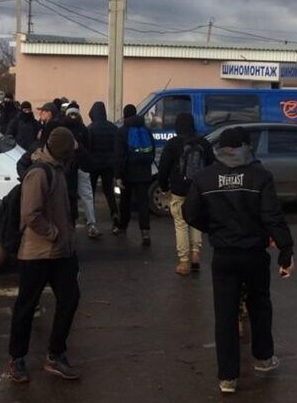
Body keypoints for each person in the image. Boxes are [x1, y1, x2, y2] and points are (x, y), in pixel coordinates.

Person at [183, 127, 295, 395]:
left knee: (225, 315)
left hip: (224, 255)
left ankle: (227, 378)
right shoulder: (260, 176)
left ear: (220, 148)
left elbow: (190, 213)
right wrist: (285, 249)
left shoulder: (204, 177)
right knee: (259, 307)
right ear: (246, 146)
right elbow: (272, 216)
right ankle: (264, 358)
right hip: (254, 254)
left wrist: (214, 229)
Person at [8, 126, 81, 383]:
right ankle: (17, 359)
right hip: (37, 253)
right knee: (26, 307)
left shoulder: (58, 169)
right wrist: (53, 233)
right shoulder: (39, 173)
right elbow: (30, 214)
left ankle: (55, 354)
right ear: (62, 151)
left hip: (61, 252)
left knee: (70, 299)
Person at [157, 112, 214, 275]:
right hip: (199, 189)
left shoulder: (173, 144)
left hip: (179, 190)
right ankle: (196, 254)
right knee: (196, 221)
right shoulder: (204, 143)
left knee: (181, 224)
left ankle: (183, 262)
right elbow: (211, 166)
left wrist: (164, 186)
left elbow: (163, 169)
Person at [114, 103, 156, 245]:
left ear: (125, 115)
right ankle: (145, 232)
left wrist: (118, 175)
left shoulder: (122, 131)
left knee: (125, 202)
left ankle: (122, 226)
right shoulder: (146, 129)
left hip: (127, 173)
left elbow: (119, 155)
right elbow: (152, 151)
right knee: (143, 202)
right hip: (144, 173)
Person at [64, 104, 100, 238]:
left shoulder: (65, 129)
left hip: (74, 167)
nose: (73, 117)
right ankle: (90, 224)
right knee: (84, 196)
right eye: (71, 114)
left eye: (74, 114)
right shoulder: (83, 129)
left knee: (77, 196)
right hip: (77, 167)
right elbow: (89, 148)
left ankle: (88, 224)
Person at [87, 101, 120, 233]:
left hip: (94, 165)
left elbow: (88, 147)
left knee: (91, 192)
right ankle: (115, 214)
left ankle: (91, 219)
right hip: (109, 165)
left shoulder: (90, 128)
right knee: (109, 191)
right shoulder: (113, 128)